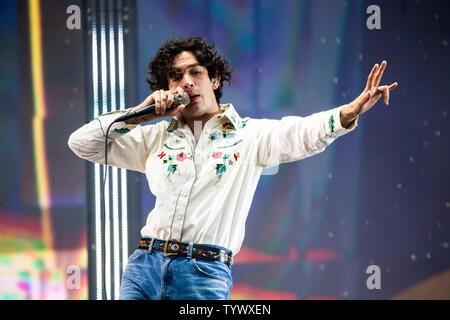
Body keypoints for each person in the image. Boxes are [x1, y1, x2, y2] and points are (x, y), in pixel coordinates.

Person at [68, 35, 398, 300]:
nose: (187, 82)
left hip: (203, 274)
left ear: (214, 78)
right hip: (144, 266)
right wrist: (144, 114)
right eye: (176, 76)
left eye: (195, 72)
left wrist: (347, 113)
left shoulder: (248, 135)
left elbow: (301, 134)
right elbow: (82, 143)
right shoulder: (154, 137)